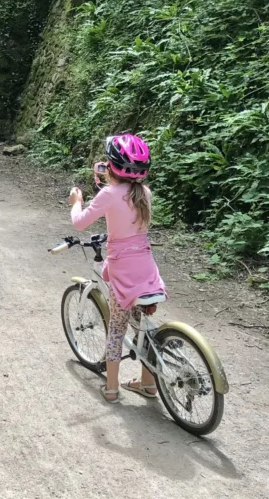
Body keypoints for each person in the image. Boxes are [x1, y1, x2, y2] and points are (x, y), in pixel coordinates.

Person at [69, 133, 166, 403]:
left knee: (117, 328)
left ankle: (111, 389)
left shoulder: (109, 194)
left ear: (111, 166)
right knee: (143, 325)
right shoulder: (144, 192)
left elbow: (80, 223)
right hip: (146, 269)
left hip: (123, 271)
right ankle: (148, 384)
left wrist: (77, 201)